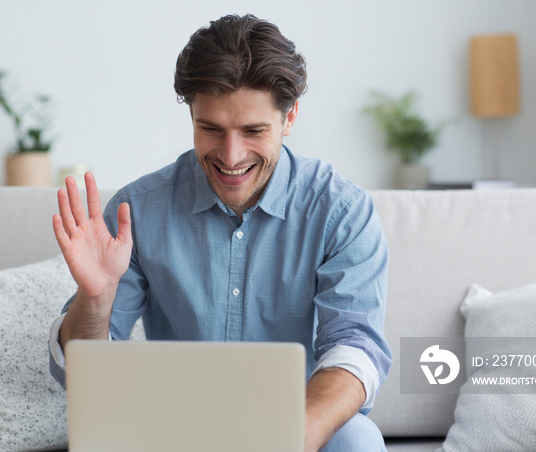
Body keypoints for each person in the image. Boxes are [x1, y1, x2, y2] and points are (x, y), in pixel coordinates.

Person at [49, 13, 392, 452]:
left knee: (357, 440)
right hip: (173, 427)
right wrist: (94, 298)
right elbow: (80, 374)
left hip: (296, 421)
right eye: (210, 129)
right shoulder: (137, 212)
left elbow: (355, 347)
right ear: (191, 116)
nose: (231, 156)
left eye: (253, 131)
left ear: (289, 119)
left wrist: (296, 434)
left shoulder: (341, 212)